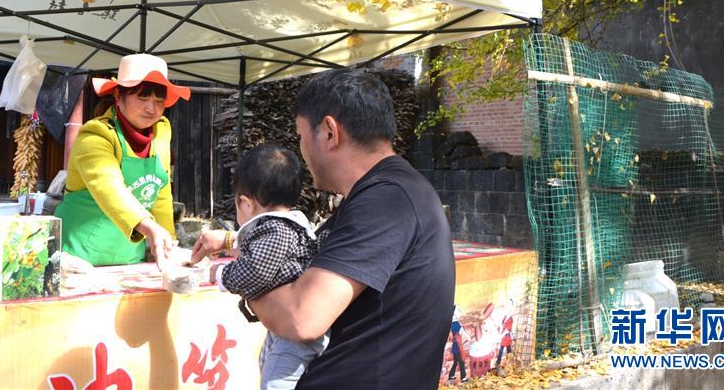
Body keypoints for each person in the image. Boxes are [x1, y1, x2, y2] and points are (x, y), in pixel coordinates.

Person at [191, 68, 455, 388]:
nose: (301, 149)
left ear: (329, 132)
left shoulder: (387, 200)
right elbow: (303, 250)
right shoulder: (390, 191)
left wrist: (245, 278)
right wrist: (231, 240)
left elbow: (301, 318)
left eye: (301, 136)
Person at [193, 144, 327, 390]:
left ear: (245, 204)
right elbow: (255, 250)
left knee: (275, 381)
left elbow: (256, 271)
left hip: (296, 332)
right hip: (288, 323)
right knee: (267, 364)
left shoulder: (275, 230)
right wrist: (227, 242)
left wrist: (219, 274)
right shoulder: (287, 224)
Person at [55, 53, 190, 270]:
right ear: (119, 96)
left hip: (129, 260)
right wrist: (149, 227)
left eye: (159, 101)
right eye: (142, 98)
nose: (151, 108)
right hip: (78, 257)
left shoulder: (161, 133)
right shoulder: (95, 135)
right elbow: (108, 187)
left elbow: (161, 193)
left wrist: (169, 243)